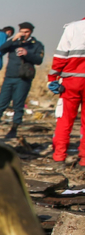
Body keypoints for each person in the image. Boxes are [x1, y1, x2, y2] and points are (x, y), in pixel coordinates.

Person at [0, 23, 44, 138]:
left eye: (26, 32)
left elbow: (39, 60)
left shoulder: (36, 45)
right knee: (1, 103)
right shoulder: (14, 43)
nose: (24, 34)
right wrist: (13, 39)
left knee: (18, 105)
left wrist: (26, 54)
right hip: (9, 77)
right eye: (22, 31)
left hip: (23, 78)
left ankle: (14, 128)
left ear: (31, 32)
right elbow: (1, 49)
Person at [50, 15, 85, 169]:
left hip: (71, 81)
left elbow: (60, 56)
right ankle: (84, 161)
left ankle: (59, 158)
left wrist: (53, 77)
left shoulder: (73, 28)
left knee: (64, 120)